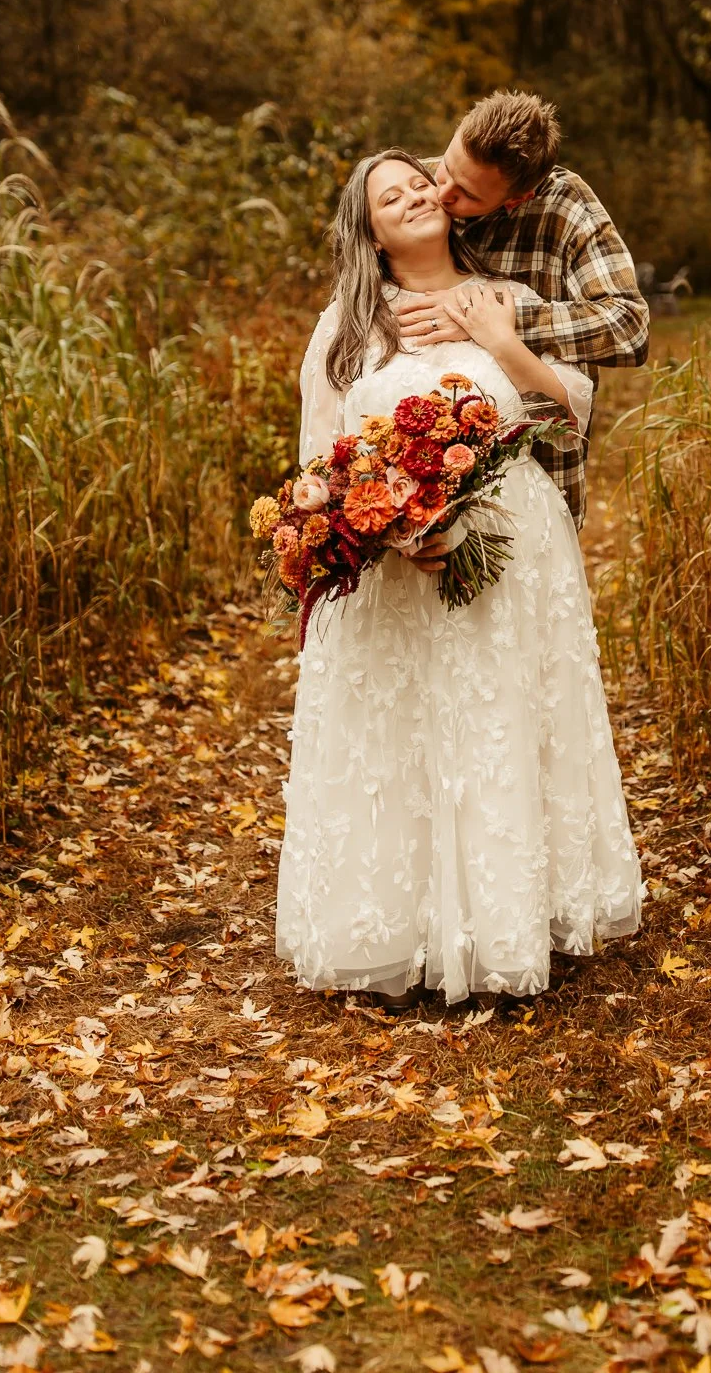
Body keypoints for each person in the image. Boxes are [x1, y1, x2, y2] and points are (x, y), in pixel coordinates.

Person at [275, 147, 643, 1008]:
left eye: (419, 183)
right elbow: (321, 462)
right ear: (369, 232)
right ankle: (398, 927)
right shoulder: (347, 327)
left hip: (512, 549)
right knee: (402, 730)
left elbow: (567, 414)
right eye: (388, 196)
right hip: (396, 568)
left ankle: (508, 920)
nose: (412, 196)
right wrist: (395, 528)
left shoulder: (502, 297)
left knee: (498, 719)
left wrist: (499, 340)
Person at [396, 90, 650, 533]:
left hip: (537, 470)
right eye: (447, 167)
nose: (442, 193)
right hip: (418, 478)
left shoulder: (565, 206)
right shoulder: (416, 186)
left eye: (468, 194)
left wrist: (495, 320)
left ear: (517, 198)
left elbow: (630, 326)